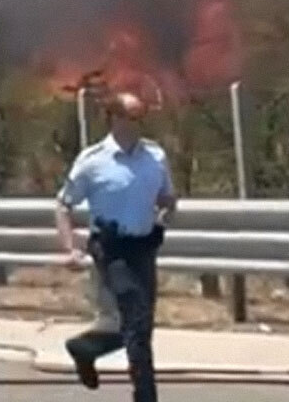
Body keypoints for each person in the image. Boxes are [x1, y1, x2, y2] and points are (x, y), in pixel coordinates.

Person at [56, 91, 177, 402]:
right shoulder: (93, 160)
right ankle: (146, 395)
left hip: (143, 246)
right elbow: (64, 204)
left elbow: (167, 198)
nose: (138, 124)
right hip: (111, 249)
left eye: (141, 118)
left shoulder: (155, 156)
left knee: (141, 326)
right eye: (132, 117)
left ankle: (85, 348)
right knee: (134, 314)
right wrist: (70, 247)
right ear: (115, 119)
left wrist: (166, 209)